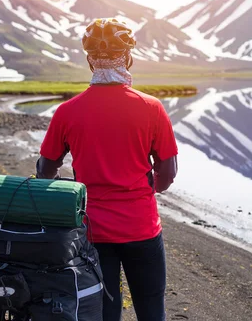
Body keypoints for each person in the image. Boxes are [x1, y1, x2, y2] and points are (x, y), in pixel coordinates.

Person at [36, 18, 178, 321]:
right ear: (128, 57)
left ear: (90, 60)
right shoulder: (152, 108)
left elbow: (45, 172)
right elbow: (167, 176)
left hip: (92, 231)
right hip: (142, 228)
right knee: (152, 309)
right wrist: (141, 188)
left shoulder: (67, 111)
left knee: (104, 312)